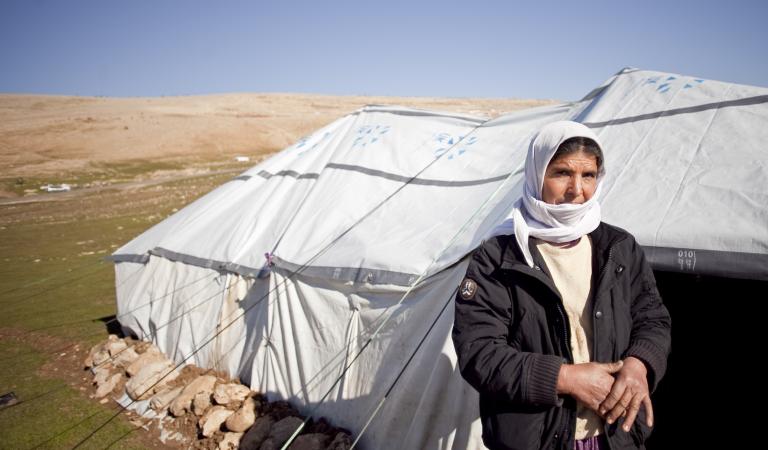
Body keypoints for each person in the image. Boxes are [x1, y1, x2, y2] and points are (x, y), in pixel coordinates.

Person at [452, 121, 671, 450]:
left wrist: (640, 364)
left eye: (588, 176)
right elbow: (478, 352)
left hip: (615, 437)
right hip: (538, 439)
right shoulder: (498, 258)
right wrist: (565, 378)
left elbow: (652, 317)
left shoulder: (618, 247)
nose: (576, 190)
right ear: (537, 174)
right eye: (562, 173)